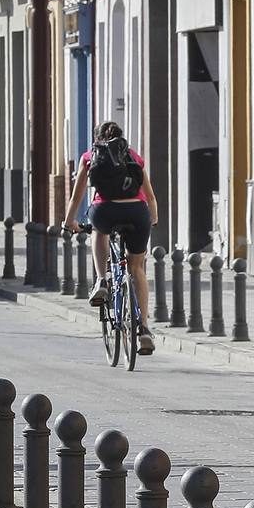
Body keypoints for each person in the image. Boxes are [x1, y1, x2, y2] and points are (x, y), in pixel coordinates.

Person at [63, 121, 160, 356]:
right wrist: (152, 220)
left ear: (97, 139)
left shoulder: (90, 156)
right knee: (137, 267)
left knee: (99, 230)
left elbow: (76, 199)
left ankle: (102, 281)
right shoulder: (132, 156)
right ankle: (144, 329)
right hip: (137, 212)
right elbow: (151, 197)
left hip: (105, 210)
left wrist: (69, 223)